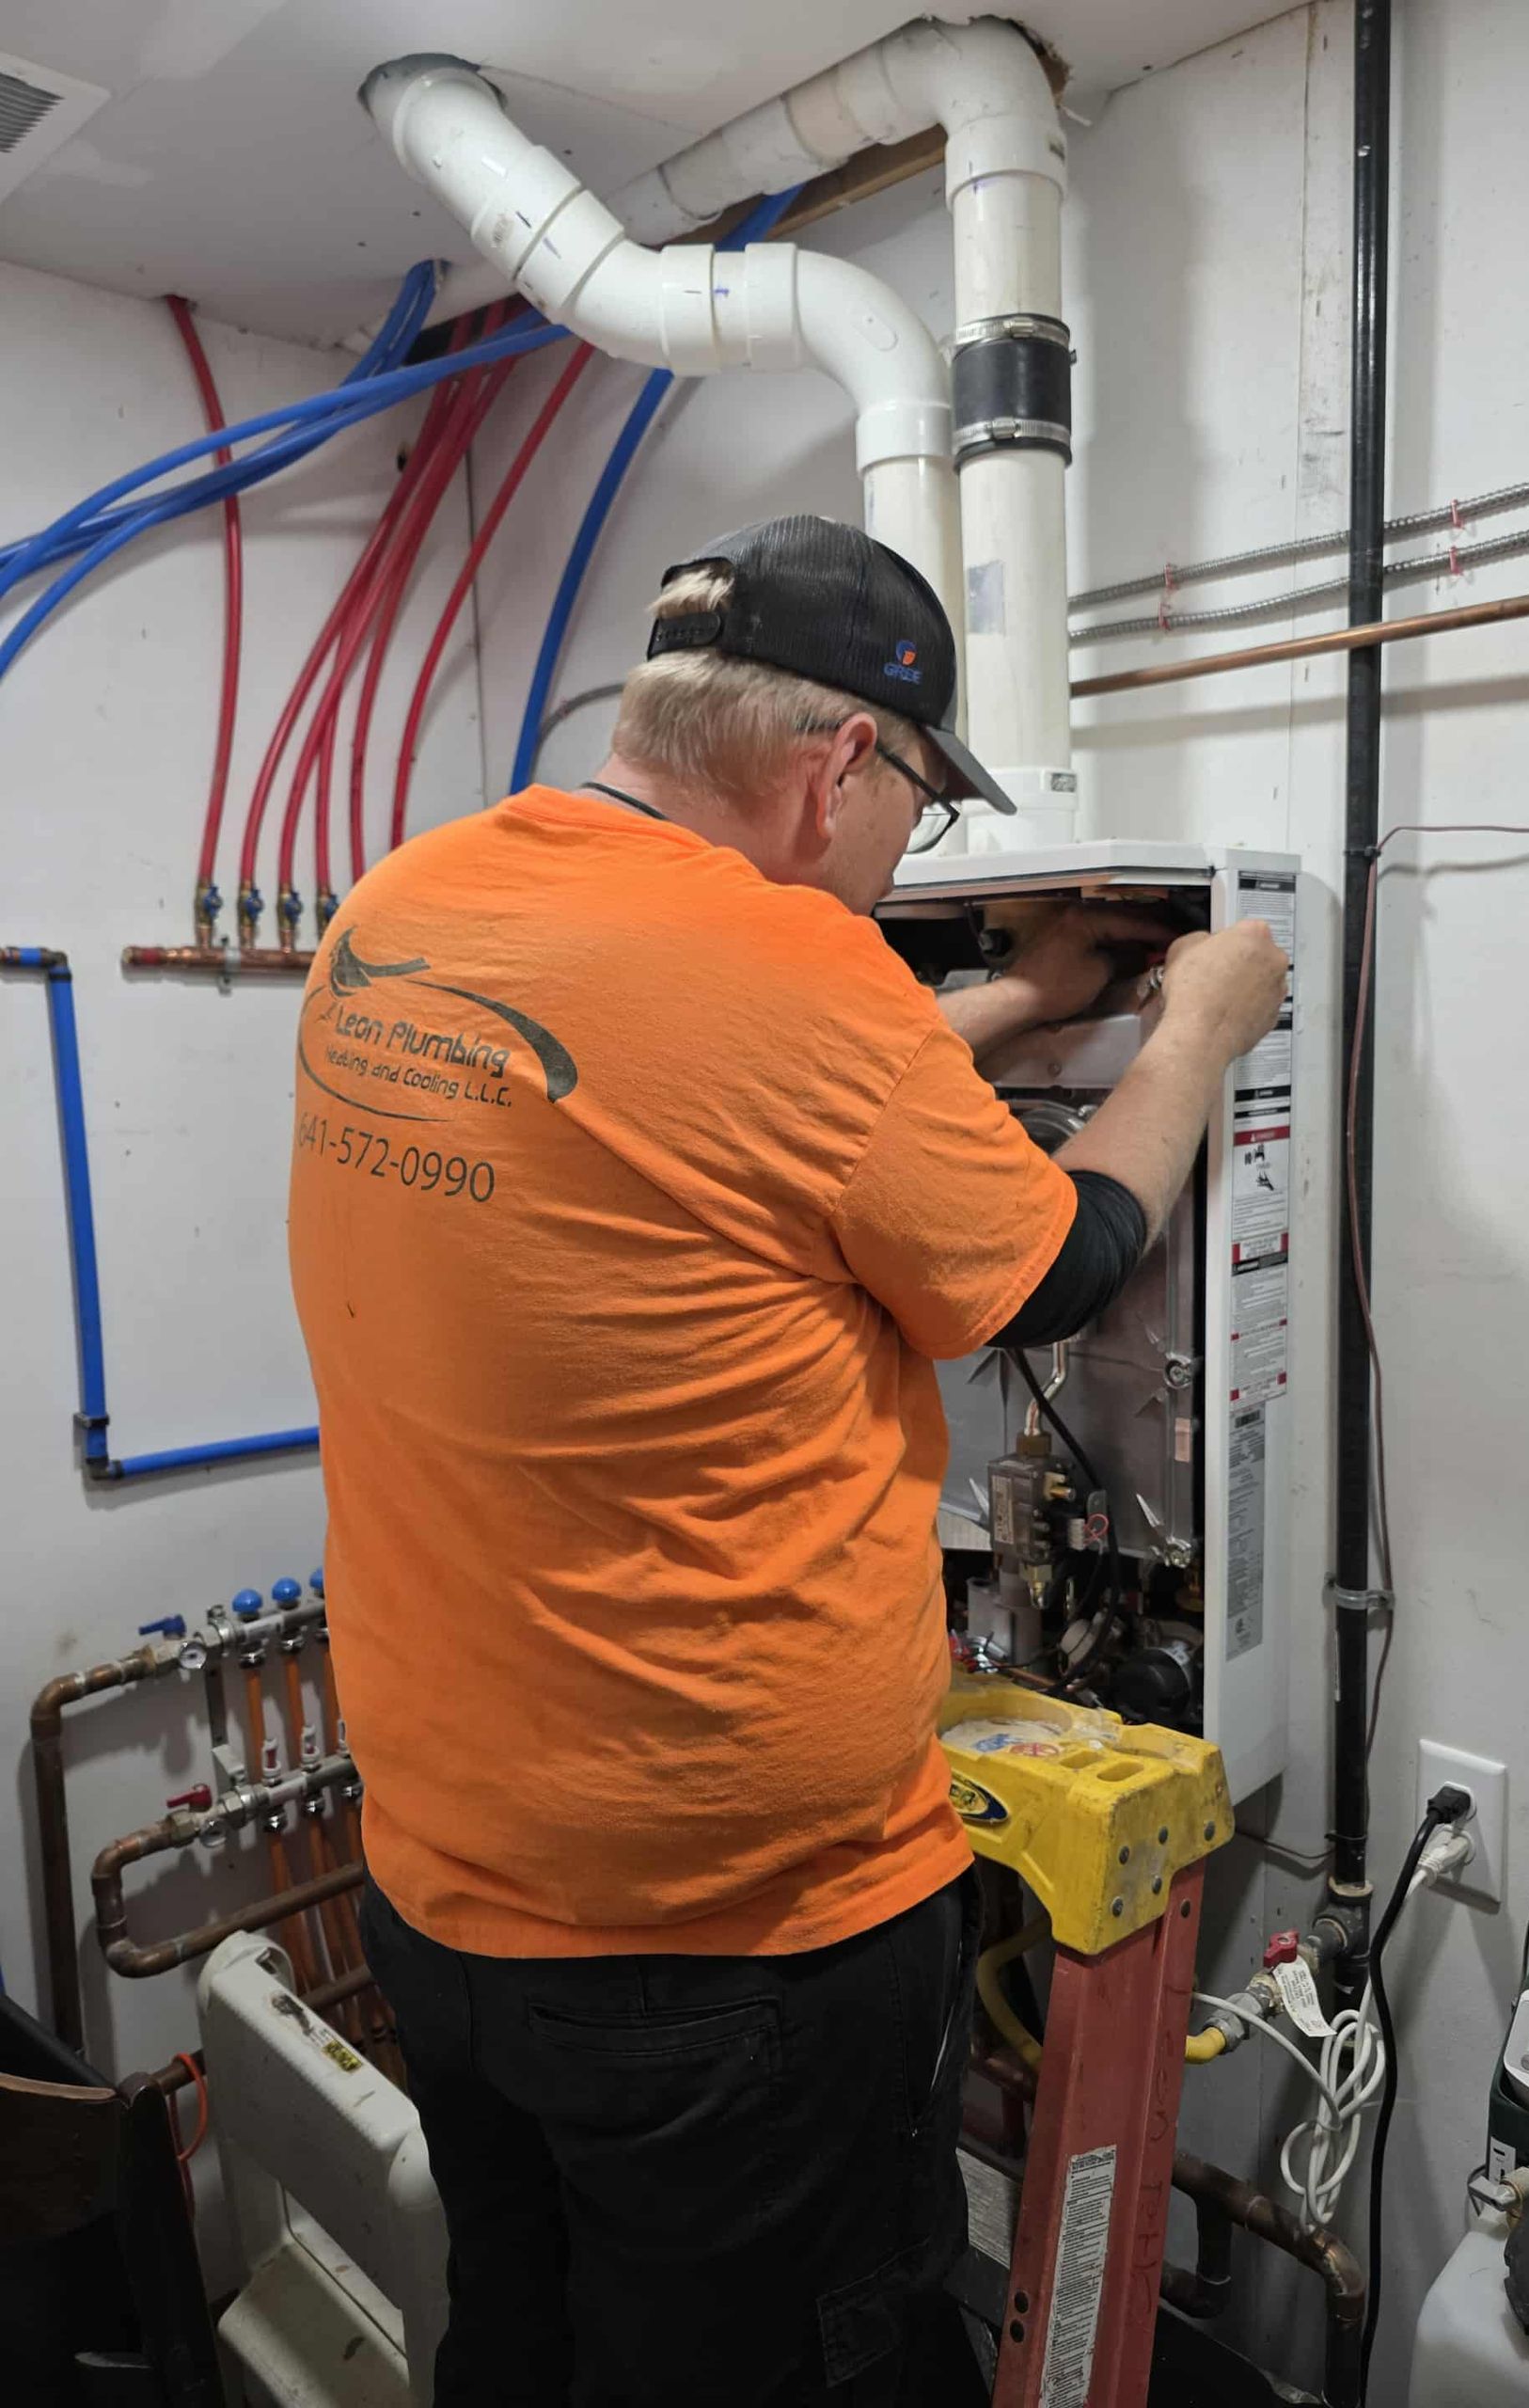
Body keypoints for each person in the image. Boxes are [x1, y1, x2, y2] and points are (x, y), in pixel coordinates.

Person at [287, 514, 1286, 2407]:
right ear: (843, 764)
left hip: (439, 1886)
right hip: (729, 1946)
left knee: (520, 2340)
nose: (913, 847)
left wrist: (1021, 999)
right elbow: (1060, 1264)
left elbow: (699, 1101)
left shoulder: (407, 907)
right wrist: (1196, 1034)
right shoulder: (799, 980)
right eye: (921, 803)